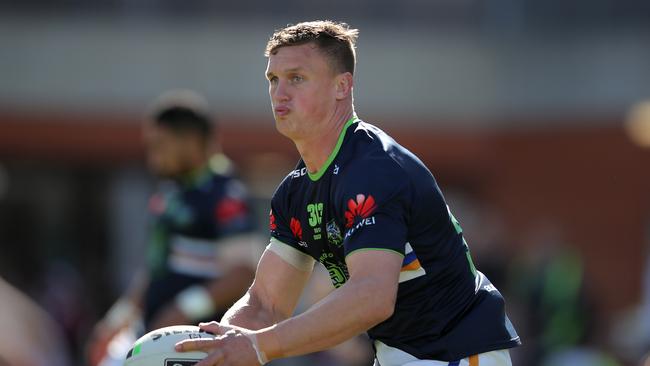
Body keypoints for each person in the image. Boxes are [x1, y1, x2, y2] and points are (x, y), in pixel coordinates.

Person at [175, 21, 521, 366]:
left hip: (455, 353)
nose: (280, 93)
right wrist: (211, 348)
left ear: (342, 86)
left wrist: (259, 347)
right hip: (401, 356)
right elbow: (265, 303)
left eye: (297, 78)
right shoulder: (294, 192)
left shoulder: (373, 170)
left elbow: (372, 297)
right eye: (273, 79)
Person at [88, 90, 262, 366]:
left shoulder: (226, 194)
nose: (153, 156)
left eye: (160, 145)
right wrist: (118, 319)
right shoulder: (171, 192)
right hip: (153, 334)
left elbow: (241, 273)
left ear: (190, 142)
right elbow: (156, 267)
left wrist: (183, 309)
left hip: (193, 343)